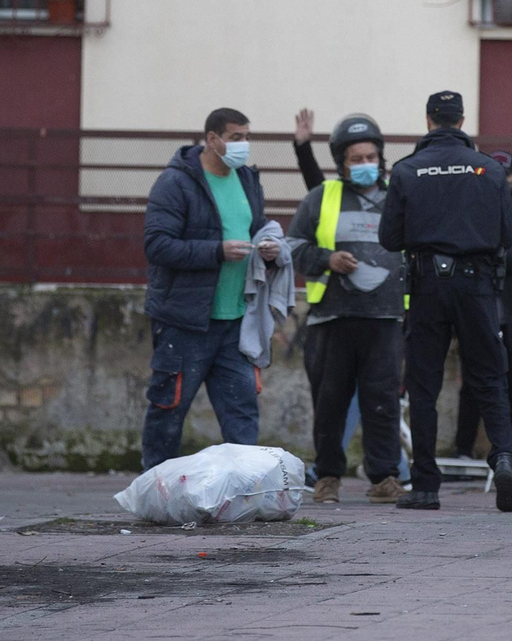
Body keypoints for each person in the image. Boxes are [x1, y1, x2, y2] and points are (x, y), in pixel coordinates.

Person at [379, 90, 512, 513]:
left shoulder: (407, 170)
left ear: (428, 120)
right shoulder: (490, 170)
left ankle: (425, 486)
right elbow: (509, 235)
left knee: (423, 385)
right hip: (477, 286)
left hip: (427, 286)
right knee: (490, 377)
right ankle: (504, 458)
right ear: (461, 121)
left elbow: (389, 238)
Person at [141, 108, 281, 469]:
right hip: (185, 322)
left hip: (236, 321)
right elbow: (157, 245)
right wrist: (217, 251)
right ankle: (156, 485)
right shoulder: (176, 183)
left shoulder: (247, 179)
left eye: (247, 137)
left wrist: (268, 249)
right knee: (169, 410)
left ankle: (244, 488)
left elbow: (257, 227)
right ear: (212, 139)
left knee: (242, 412)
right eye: (236, 138)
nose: (243, 145)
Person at [287, 114, 407, 504]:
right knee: (330, 402)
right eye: (356, 159)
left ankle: (384, 478)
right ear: (342, 162)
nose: (365, 164)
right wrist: (327, 259)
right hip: (332, 317)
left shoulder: (398, 198)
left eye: (371, 157)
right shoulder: (321, 197)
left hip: (385, 317)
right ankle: (327, 478)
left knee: (383, 401)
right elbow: (293, 247)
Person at [454, 150, 512, 457]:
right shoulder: (472, 208)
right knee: (472, 384)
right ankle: (463, 451)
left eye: (507, 177)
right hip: (480, 309)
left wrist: (487, 255)